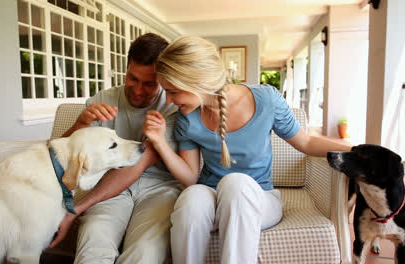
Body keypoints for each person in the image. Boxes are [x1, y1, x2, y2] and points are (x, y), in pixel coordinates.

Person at [143, 35, 352, 264]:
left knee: (236, 184)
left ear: (197, 80)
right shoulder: (187, 119)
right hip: (209, 197)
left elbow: (307, 143)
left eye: (173, 91)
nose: (170, 101)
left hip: (259, 198)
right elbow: (191, 178)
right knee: (192, 197)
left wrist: (357, 150)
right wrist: (161, 143)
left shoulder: (266, 100)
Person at [49, 33, 182, 264]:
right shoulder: (103, 99)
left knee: (144, 251)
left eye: (150, 84)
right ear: (127, 67)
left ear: (164, 79)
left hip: (159, 189)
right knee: (93, 242)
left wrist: (77, 209)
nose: (138, 90)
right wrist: (81, 124)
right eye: (133, 78)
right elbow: (58, 156)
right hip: (108, 187)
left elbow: (136, 165)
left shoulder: (172, 107)